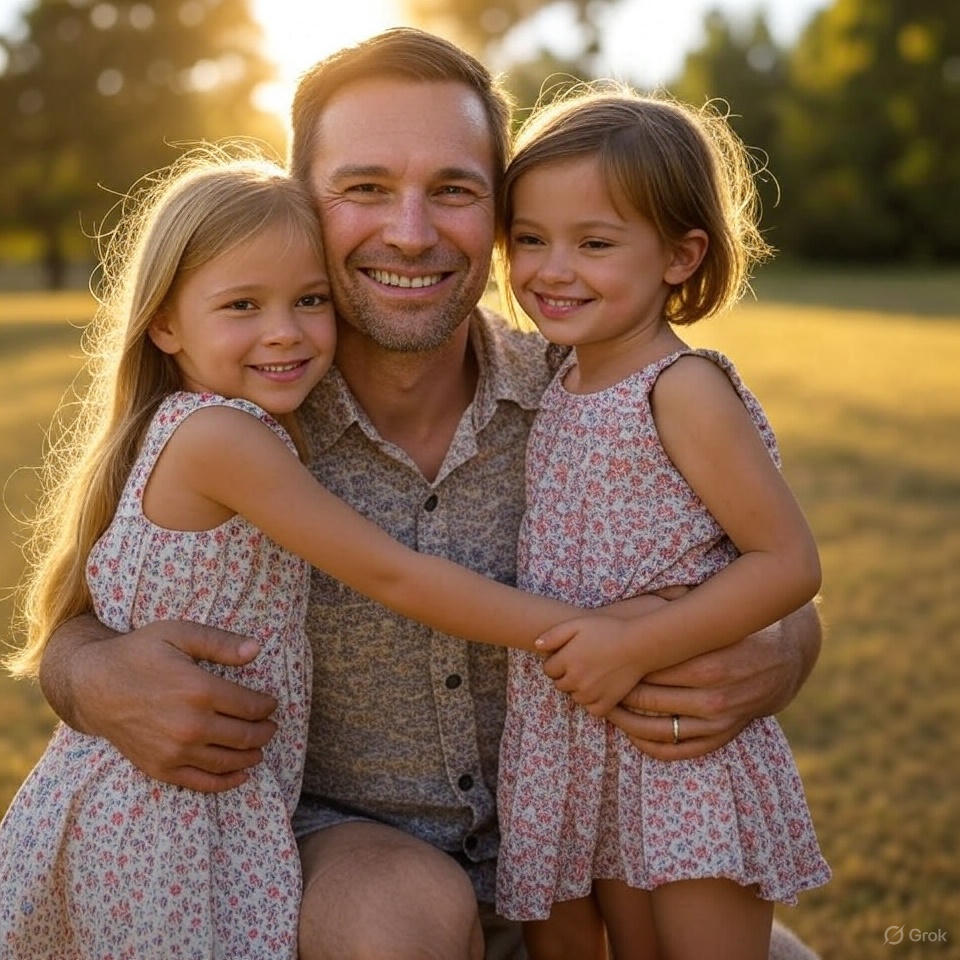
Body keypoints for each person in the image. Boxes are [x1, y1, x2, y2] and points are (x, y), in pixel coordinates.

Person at [33, 29, 824, 960]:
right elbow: (83, 620)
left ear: (498, 213)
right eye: (364, 188)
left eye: (452, 190)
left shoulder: (598, 392)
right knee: (399, 919)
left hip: (598, 855)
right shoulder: (239, 418)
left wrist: (779, 652)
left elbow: (771, 569)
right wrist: (90, 678)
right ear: (303, 205)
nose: (410, 232)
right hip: (342, 865)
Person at [0, 149, 667, 959]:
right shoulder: (226, 437)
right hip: (170, 805)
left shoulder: (590, 383)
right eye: (243, 304)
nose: (284, 331)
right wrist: (589, 630)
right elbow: (397, 575)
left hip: (212, 803)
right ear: (165, 322)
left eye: (308, 300)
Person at [491, 85, 831, 960]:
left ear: (681, 256)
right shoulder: (556, 381)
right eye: (529, 239)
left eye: (594, 244)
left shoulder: (680, 389)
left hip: (677, 742)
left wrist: (638, 645)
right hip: (575, 740)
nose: (550, 270)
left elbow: (787, 563)